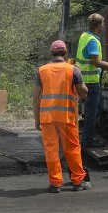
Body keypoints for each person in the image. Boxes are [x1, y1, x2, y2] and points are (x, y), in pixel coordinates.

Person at [34, 40, 90, 193]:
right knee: (72, 148)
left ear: (51, 53)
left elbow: (35, 97)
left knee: (51, 150)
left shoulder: (42, 70)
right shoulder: (73, 70)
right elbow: (83, 92)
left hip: (47, 117)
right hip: (66, 117)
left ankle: (55, 183)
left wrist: (36, 119)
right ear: (65, 53)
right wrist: (81, 81)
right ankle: (78, 181)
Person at [77, 14, 108, 149]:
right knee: (92, 111)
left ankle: (87, 137)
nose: (103, 27)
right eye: (102, 24)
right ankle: (88, 141)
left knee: (89, 110)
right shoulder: (92, 41)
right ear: (98, 25)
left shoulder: (84, 36)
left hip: (82, 79)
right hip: (91, 81)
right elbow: (96, 62)